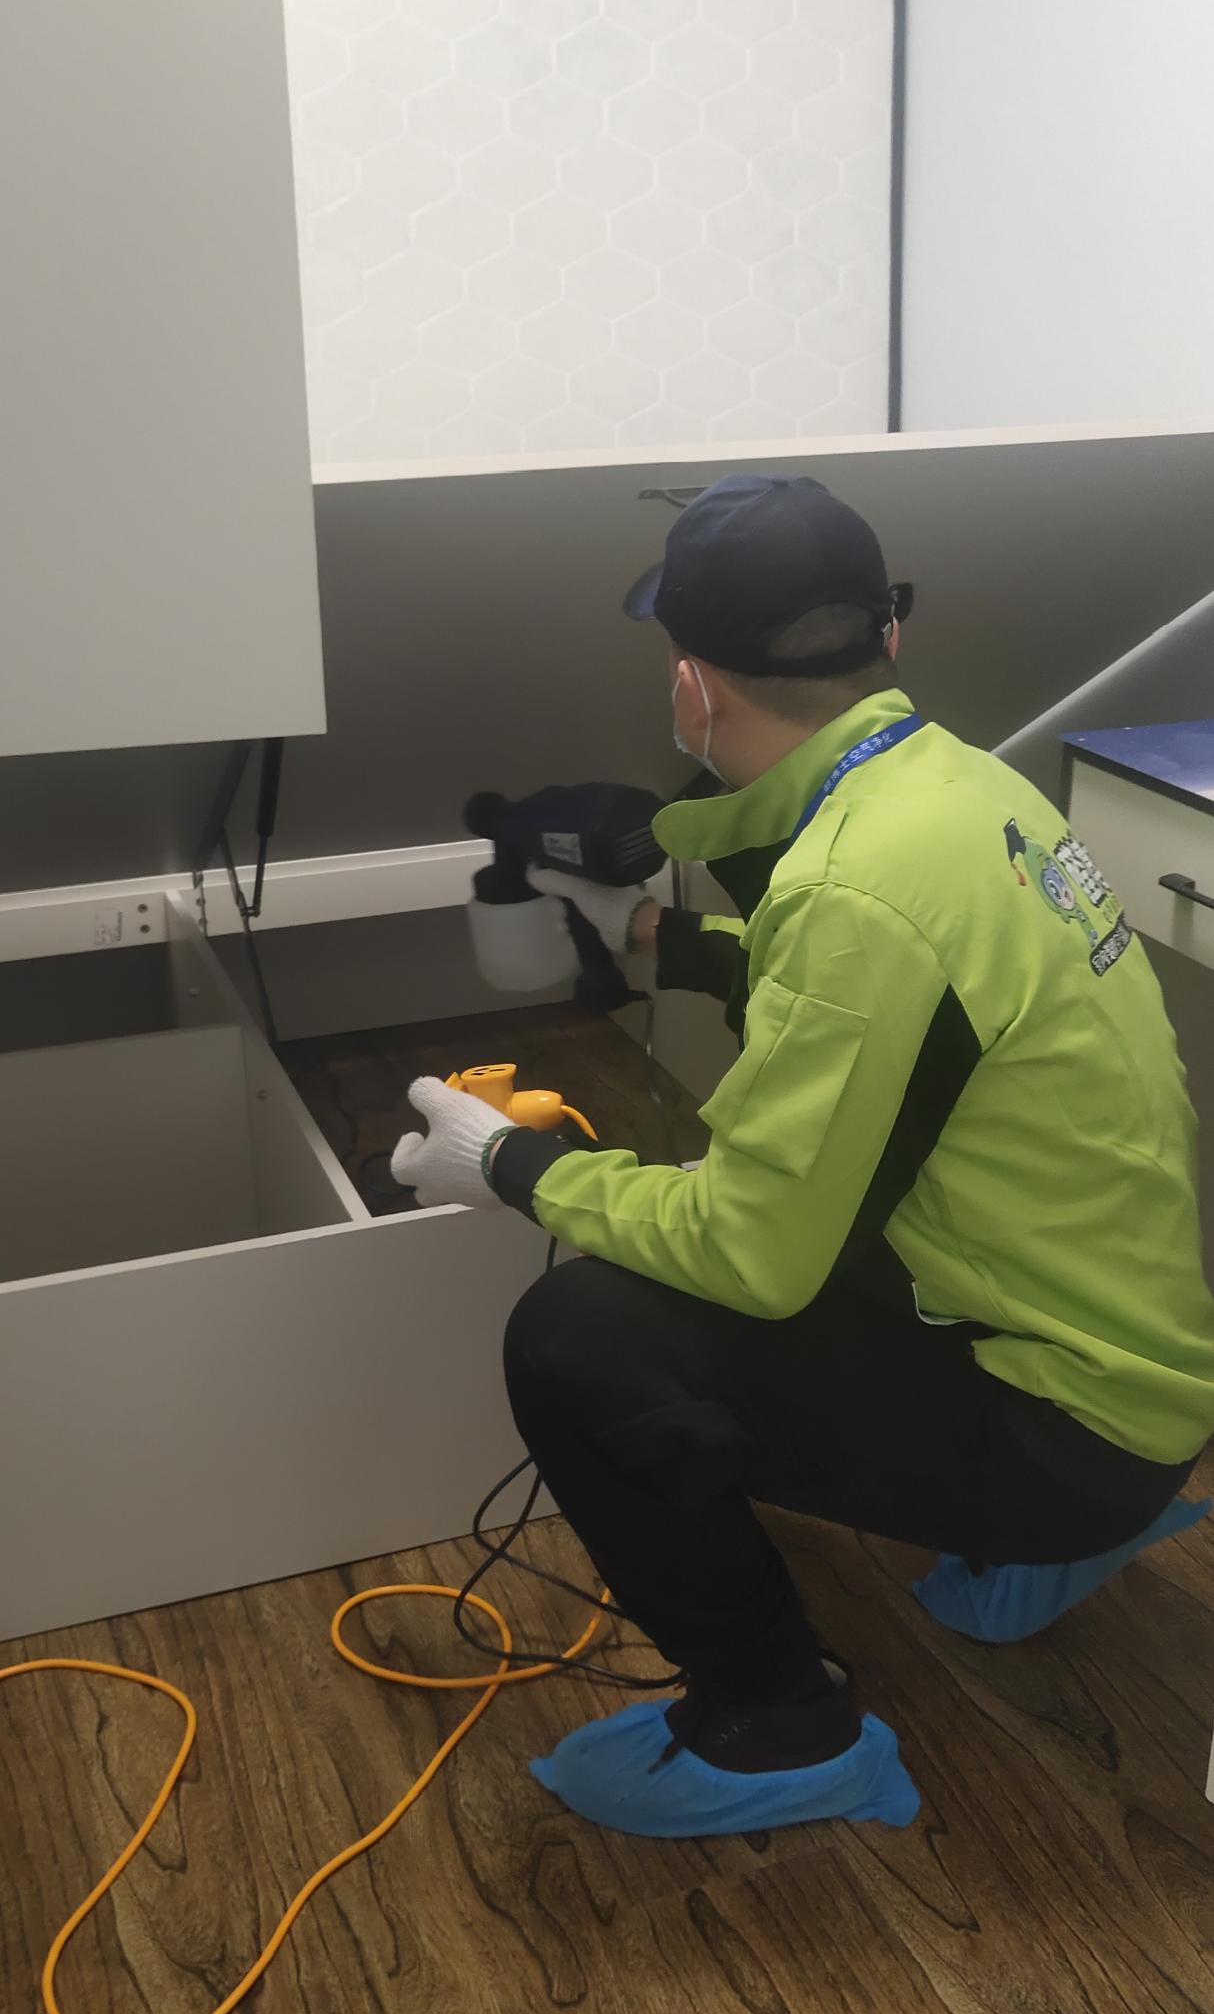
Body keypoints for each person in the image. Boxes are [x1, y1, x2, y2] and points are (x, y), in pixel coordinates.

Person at [395, 474, 1214, 1842]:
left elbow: (751, 1252)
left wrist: (509, 1169)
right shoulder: (961, 785)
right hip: (1137, 1359)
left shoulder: (850, 887)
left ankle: (778, 1725)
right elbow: (889, 1000)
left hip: (1067, 1423)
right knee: (796, 1217)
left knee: (580, 1339)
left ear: (692, 688)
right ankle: (1051, 1530)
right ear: (887, 638)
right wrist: (655, 936)